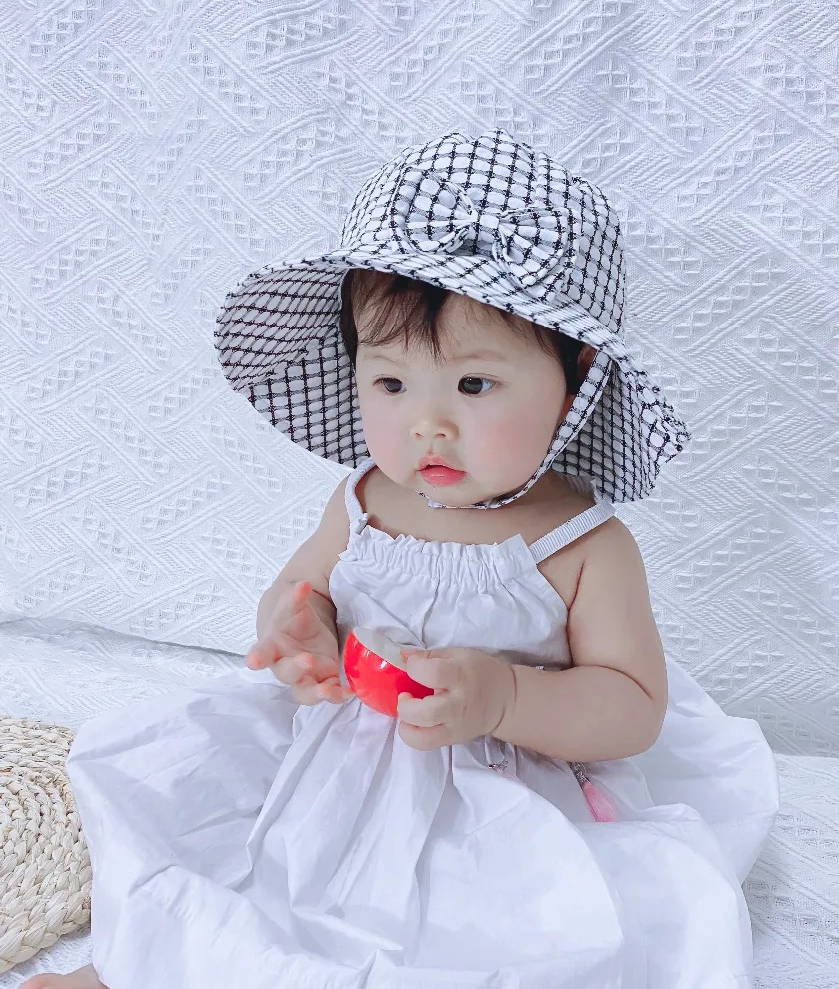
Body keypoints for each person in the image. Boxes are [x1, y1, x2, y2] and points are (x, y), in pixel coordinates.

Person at [22, 128, 780, 989]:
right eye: (391, 383)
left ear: (575, 382)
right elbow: (302, 587)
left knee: (468, 932)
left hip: (498, 790)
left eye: (473, 385)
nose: (428, 424)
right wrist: (299, 627)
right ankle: (143, 965)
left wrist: (505, 697)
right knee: (235, 847)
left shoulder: (580, 545)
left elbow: (633, 708)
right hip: (336, 756)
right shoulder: (365, 500)